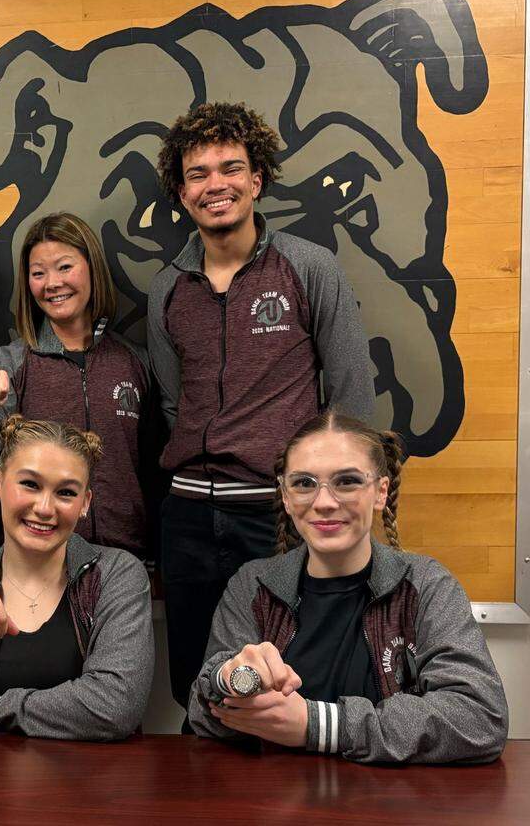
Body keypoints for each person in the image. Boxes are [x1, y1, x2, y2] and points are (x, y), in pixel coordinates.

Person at [148, 101, 375, 709]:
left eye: (230, 168)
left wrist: (325, 492)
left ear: (256, 179)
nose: (215, 185)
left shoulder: (309, 266)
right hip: (189, 516)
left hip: (278, 514)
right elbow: (171, 403)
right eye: (198, 174)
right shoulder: (167, 288)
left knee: (292, 679)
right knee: (198, 683)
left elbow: (352, 393)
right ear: (181, 192)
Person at [187, 410, 508, 764]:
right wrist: (227, 679)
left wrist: (318, 725)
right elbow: (203, 716)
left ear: (380, 492)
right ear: (286, 496)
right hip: (277, 794)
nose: (324, 502)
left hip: (390, 796)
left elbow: (480, 719)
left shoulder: (427, 585)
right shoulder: (252, 585)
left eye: (347, 481)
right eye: (304, 483)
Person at [0, 416, 153, 741]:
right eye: (30, 484)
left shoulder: (116, 575)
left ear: (85, 504)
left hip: (96, 774)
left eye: (66, 493)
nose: (45, 508)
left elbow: (115, 706)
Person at [0, 212, 161, 561]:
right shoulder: (13, 362)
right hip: (40, 558)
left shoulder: (134, 361)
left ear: (92, 269)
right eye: (38, 273)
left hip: (126, 557)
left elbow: (153, 466)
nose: (52, 283)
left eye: (65, 267)